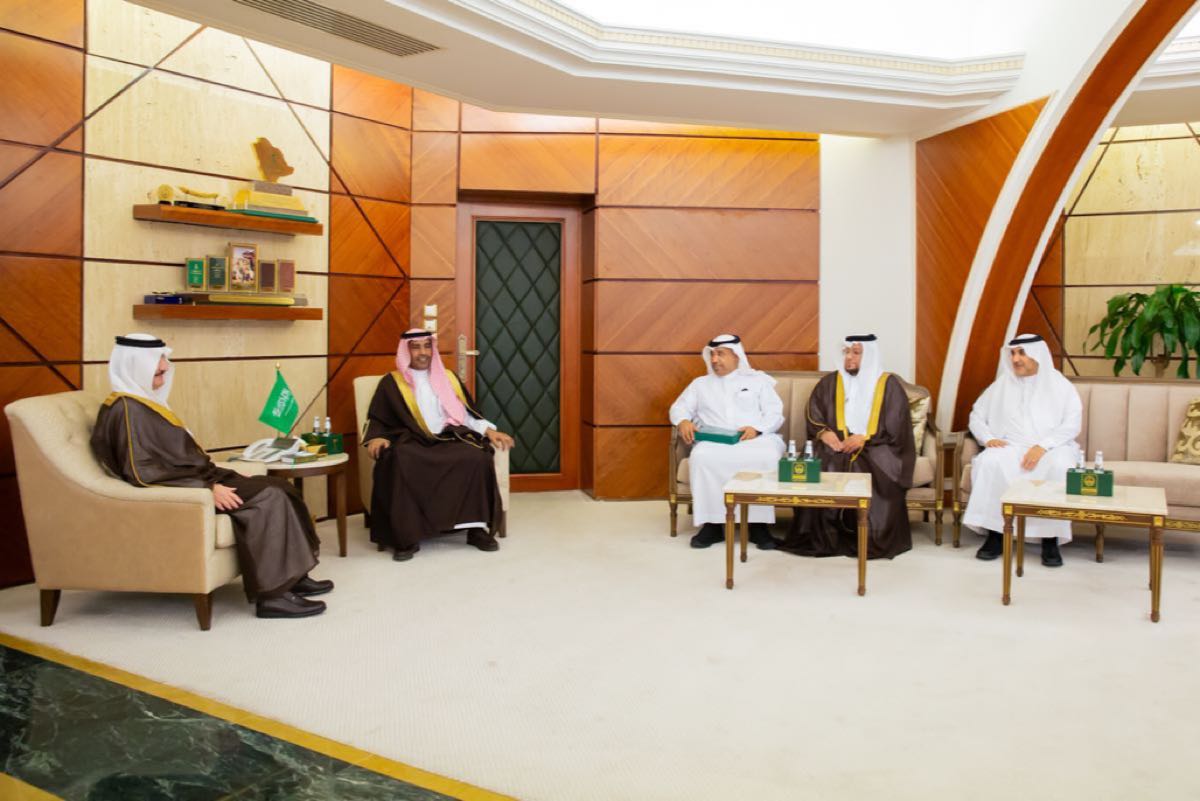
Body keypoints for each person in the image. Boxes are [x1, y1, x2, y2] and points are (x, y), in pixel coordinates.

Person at [90, 334, 331, 619]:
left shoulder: (143, 403)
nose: (165, 367)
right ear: (134, 365)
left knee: (280, 486)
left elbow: (175, 458)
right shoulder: (126, 410)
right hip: (189, 489)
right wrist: (207, 488)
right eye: (158, 363)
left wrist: (222, 475)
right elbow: (142, 473)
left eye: (164, 359)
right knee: (270, 497)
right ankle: (273, 597)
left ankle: (294, 576)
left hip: (203, 477)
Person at [363, 329, 514, 561]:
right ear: (406, 351)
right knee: (400, 459)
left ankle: (475, 529)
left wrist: (489, 431)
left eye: (427, 346)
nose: (422, 352)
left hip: (447, 436)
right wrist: (376, 437)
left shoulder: (449, 378)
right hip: (411, 439)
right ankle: (406, 536)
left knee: (477, 456)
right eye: (416, 347)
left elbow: (467, 415)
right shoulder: (391, 383)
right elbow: (378, 418)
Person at [779, 334, 916, 559]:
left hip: (876, 445)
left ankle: (868, 536)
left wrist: (865, 438)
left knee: (868, 466)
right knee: (822, 460)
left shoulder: (888, 384)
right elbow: (814, 412)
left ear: (869, 355)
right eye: (846, 352)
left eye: (856, 353)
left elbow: (896, 424)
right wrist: (824, 433)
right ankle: (825, 536)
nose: (849, 357)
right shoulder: (831, 382)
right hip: (836, 445)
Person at [964, 334, 1082, 567]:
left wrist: (1042, 446)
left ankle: (1050, 539)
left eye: (1022, 353)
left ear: (1037, 355)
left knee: (1061, 466)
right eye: (1013, 353)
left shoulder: (1060, 385)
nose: (1015, 359)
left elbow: (1072, 424)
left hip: (1051, 447)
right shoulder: (1001, 385)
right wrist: (988, 438)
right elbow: (976, 415)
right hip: (1011, 446)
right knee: (990, 462)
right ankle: (995, 534)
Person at [668, 334, 785, 550]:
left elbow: (775, 412)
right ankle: (712, 525)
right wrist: (683, 420)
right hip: (715, 441)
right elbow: (679, 407)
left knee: (767, 456)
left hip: (755, 439)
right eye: (712, 355)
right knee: (702, 457)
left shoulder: (758, 381)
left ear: (736, 356)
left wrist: (757, 428)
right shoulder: (700, 384)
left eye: (720, 354)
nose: (714, 360)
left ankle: (758, 526)